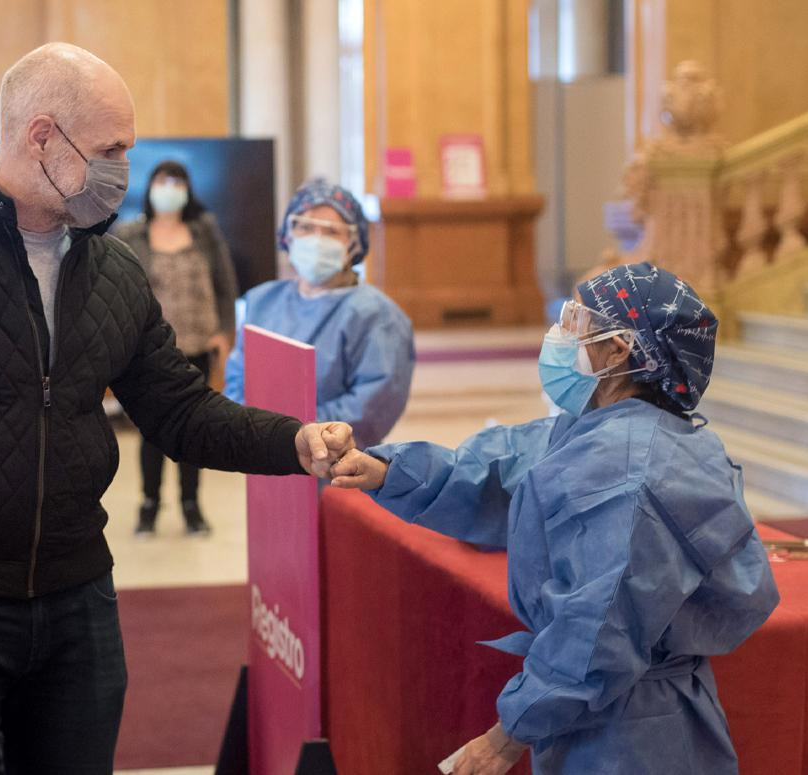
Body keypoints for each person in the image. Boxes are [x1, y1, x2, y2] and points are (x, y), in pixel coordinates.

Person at [0, 43, 353, 775]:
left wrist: (294, 442)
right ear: (41, 137)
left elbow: (181, 410)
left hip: (77, 602)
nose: (124, 170)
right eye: (110, 149)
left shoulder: (114, 270)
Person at [330, 262, 779, 775]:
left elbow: (594, 634)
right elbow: (500, 470)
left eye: (576, 320)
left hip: (631, 733)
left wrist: (507, 736)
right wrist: (389, 470)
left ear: (618, 349)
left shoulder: (627, 474)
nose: (561, 333)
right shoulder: (601, 428)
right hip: (612, 712)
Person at [224, 180, 415, 449]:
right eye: (305, 227)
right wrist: (255, 430)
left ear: (354, 244)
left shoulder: (378, 317)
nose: (316, 238)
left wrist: (296, 434)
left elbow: (372, 405)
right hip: (262, 456)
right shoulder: (262, 301)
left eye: (331, 231)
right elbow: (238, 380)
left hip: (338, 464)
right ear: (288, 235)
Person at [114, 161, 238, 536]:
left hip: (199, 343)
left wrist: (224, 331)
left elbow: (225, 284)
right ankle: (149, 504)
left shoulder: (204, 231)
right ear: (150, 188)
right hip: (150, 349)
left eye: (176, 182)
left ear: (187, 189)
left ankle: (191, 505)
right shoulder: (130, 234)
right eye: (162, 181)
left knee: (192, 429)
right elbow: (119, 291)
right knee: (152, 431)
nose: (169, 188)